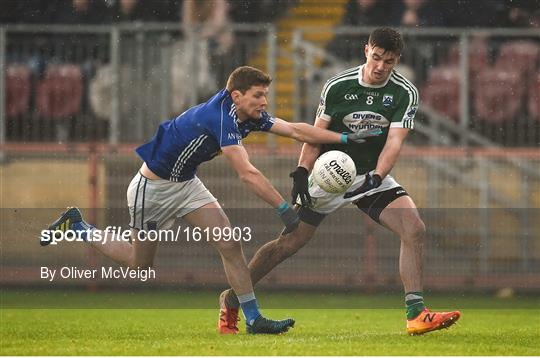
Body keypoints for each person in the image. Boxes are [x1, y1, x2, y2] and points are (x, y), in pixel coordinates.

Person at [40, 66, 377, 334]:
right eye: (258, 96)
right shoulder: (221, 119)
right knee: (139, 264)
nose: (264, 102)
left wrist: (344, 137)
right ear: (236, 95)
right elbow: (247, 174)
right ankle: (79, 226)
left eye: (266, 96)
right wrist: (284, 209)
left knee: (230, 245)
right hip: (152, 191)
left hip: (186, 184)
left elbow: (297, 131)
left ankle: (253, 319)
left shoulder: (247, 114)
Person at [218, 29, 461, 336]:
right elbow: (315, 135)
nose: (380, 66)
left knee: (414, 227)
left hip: (370, 176)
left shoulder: (404, 92)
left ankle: (416, 314)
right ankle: (232, 299)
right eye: (376, 57)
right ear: (366, 50)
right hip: (328, 177)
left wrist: (376, 177)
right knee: (288, 244)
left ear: (397, 59)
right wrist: (302, 172)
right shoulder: (338, 85)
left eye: (389, 61)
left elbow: (394, 143)